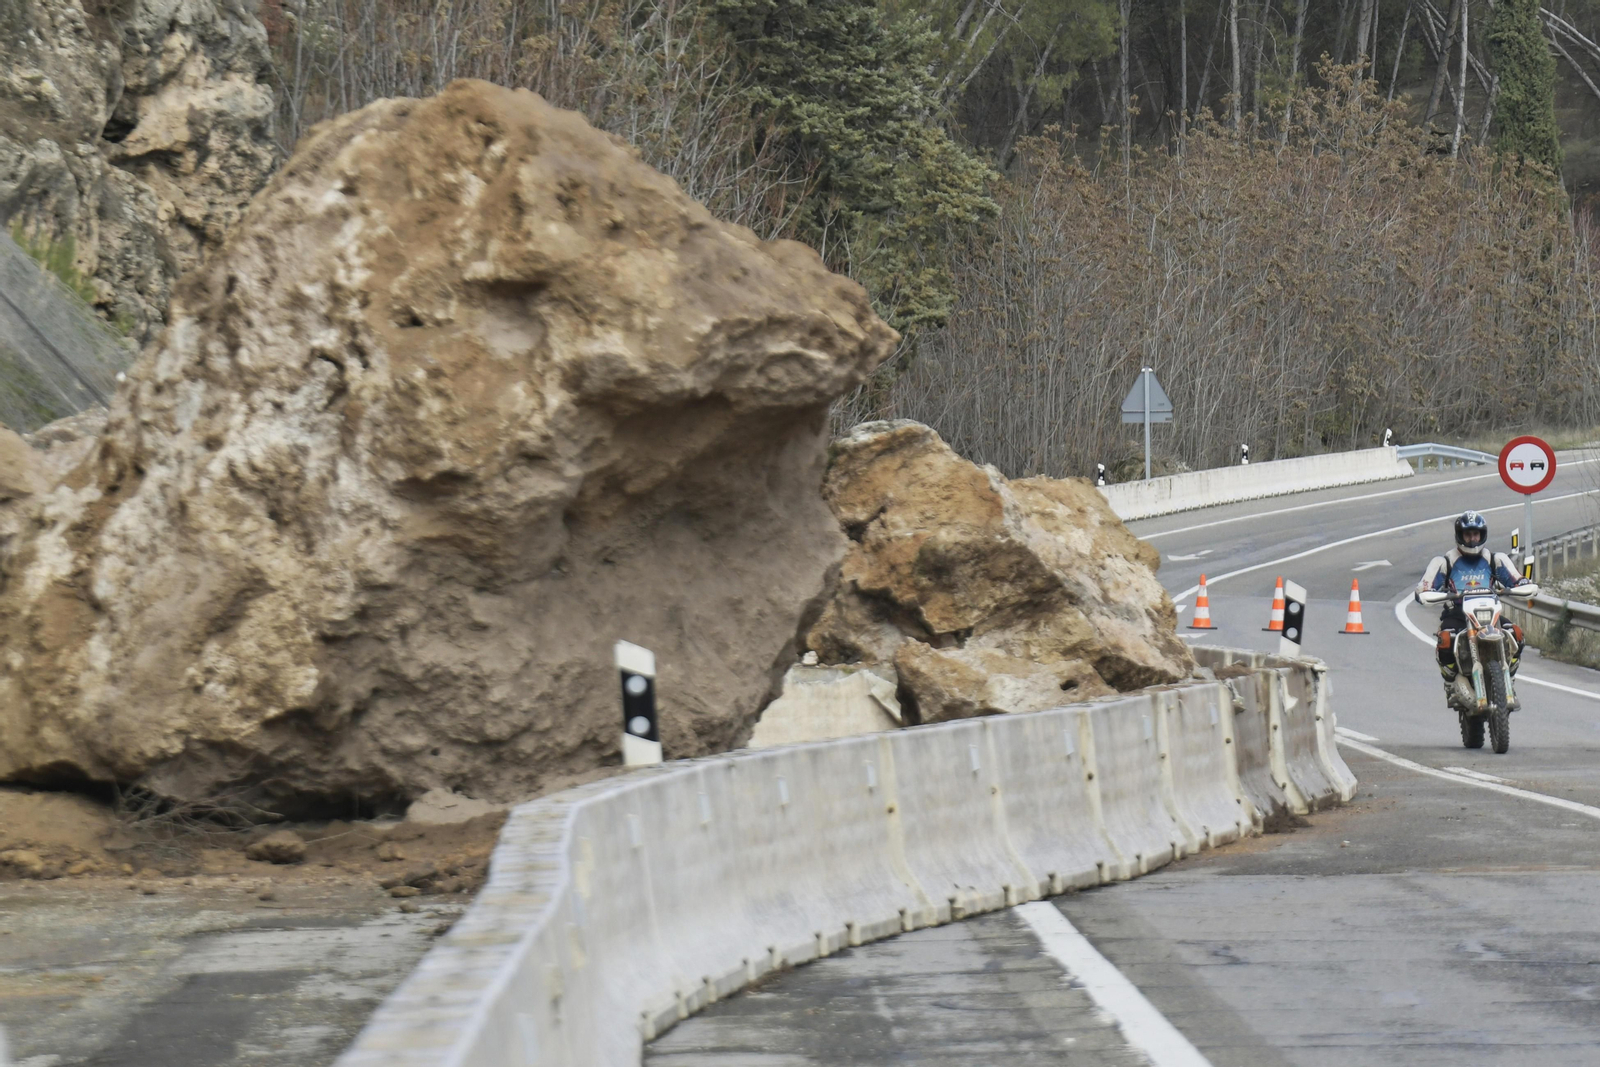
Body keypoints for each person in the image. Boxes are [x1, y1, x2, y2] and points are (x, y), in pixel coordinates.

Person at [1416, 511, 1527, 693]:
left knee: (1516, 634)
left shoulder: (1494, 559)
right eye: (1468, 534)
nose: (1472, 539)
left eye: (1476, 534)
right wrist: (1425, 591)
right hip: (1457, 614)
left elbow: (1516, 578)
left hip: (1490, 614)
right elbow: (1425, 585)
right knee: (1445, 639)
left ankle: (1510, 677)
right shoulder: (1445, 561)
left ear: (1482, 535)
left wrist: (1523, 583)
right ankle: (1451, 682)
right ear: (1460, 535)